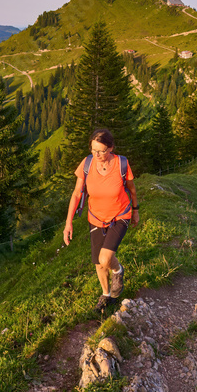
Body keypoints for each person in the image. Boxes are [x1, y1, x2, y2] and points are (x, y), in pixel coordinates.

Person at [63, 128, 139, 311]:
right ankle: (106, 295)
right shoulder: (87, 164)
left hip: (120, 215)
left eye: (101, 151)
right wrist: (68, 223)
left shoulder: (122, 164)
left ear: (111, 148)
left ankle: (118, 270)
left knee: (105, 258)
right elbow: (76, 194)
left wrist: (135, 210)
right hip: (96, 217)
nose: (97, 154)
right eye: (93, 150)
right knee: (98, 263)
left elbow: (132, 189)